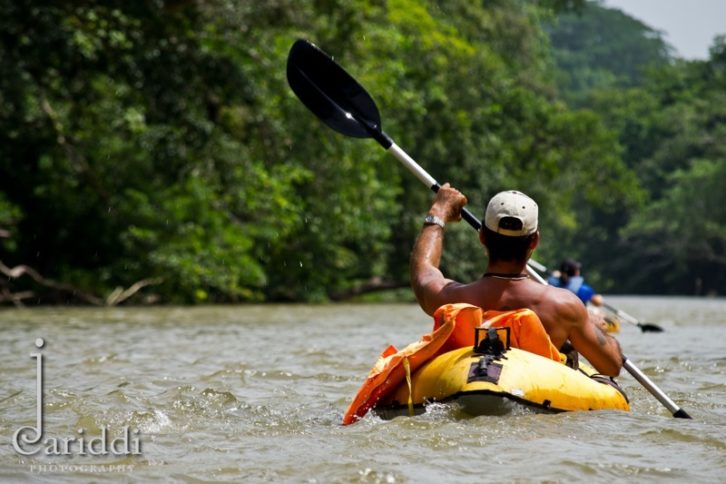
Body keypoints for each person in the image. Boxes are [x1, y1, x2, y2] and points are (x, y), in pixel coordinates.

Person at [410, 184, 623, 376]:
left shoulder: (452, 298)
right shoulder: (564, 307)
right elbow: (611, 366)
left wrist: (439, 211)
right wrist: (592, 324)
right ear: (535, 241)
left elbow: (423, 273)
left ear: (482, 236)